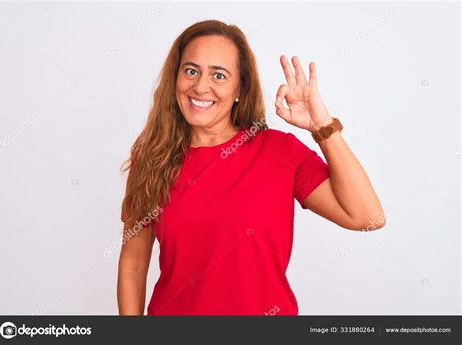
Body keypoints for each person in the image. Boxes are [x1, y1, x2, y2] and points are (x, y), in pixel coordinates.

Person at [117, 19, 385, 316]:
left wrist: (322, 126)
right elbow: (134, 261)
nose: (200, 86)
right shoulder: (153, 158)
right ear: (175, 78)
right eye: (191, 71)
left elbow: (367, 217)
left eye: (219, 75)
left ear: (240, 88)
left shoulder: (279, 151)